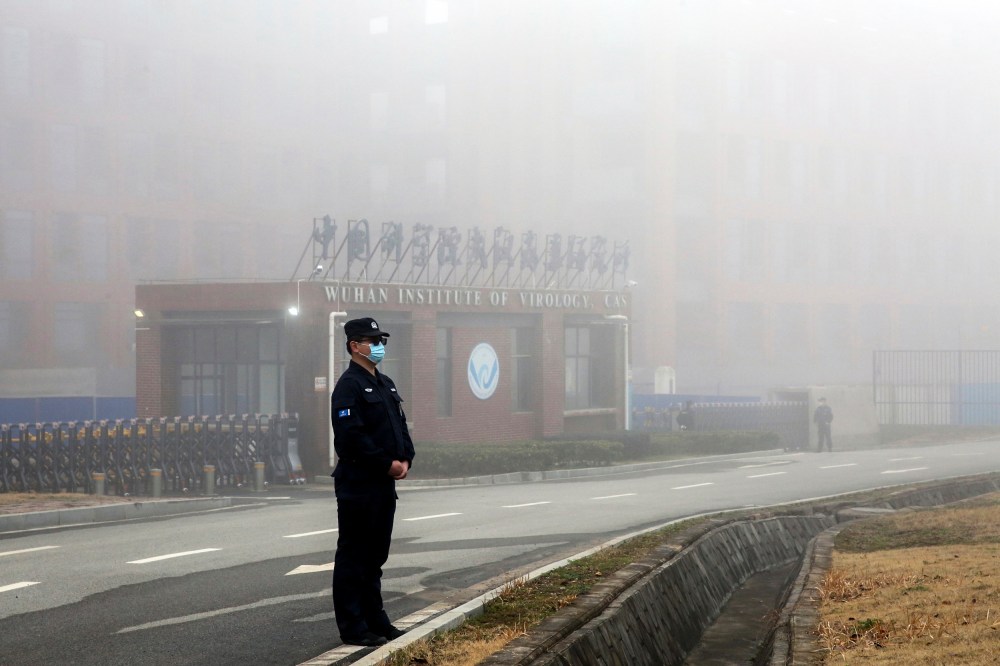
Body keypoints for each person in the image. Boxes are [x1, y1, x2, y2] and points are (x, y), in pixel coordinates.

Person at [330, 317, 415, 647]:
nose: (379, 346)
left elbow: (399, 426)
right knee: (354, 556)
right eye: (372, 341)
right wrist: (386, 463)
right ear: (355, 346)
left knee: (375, 557)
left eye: (381, 341)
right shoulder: (348, 386)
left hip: (382, 485)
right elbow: (351, 436)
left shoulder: (386, 383)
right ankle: (353, 626)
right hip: (358, 483)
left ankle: (376, 620)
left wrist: (406, 457)